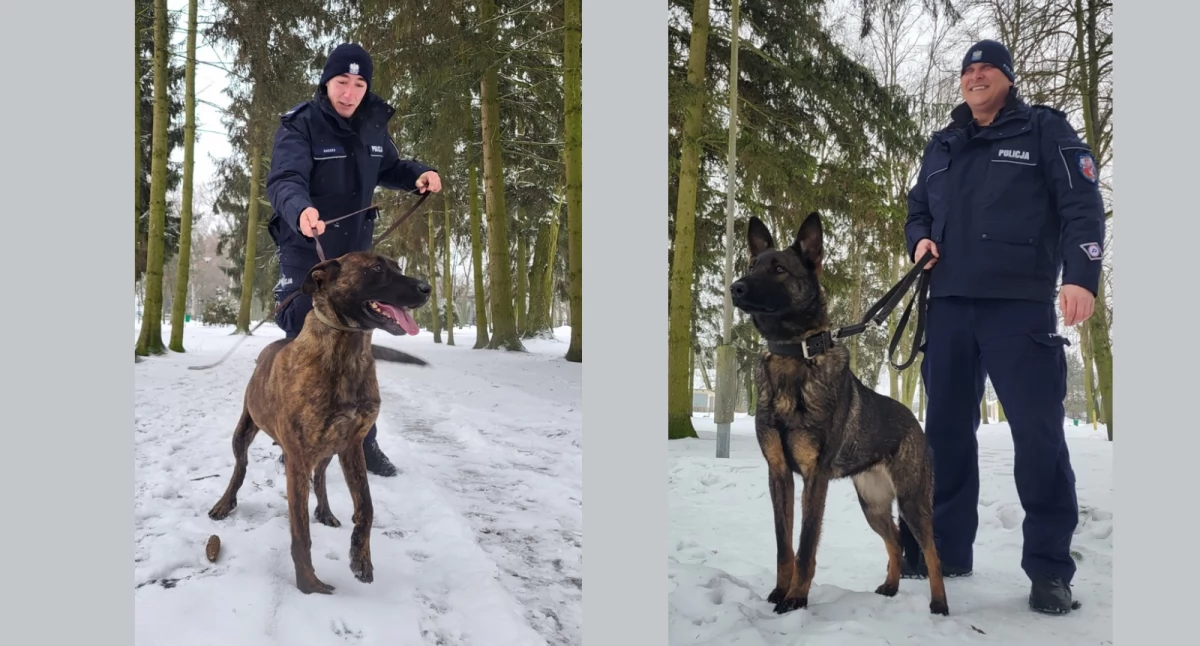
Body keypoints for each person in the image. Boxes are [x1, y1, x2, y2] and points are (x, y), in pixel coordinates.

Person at [900, 39, 1105, 615]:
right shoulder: (942, 144)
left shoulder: (1044, 130)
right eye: (967, 69)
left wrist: (1081, 275)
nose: (975, 75)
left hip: (1020, 307)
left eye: (987, 67)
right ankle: (942, 549)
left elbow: (1082, 204)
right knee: (942, 436)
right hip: (949, 306)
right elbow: (917, 208)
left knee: (1038, 437)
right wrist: (918, 238)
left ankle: (1049, 570)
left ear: (1009, 79)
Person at [265, 43, 442, 478]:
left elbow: (391, 167)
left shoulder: (373, 124)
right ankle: (295, 436)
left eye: (359, 83)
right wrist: (300, 209)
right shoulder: (300, 125)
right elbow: (284, 179)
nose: (350, 92)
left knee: (358, 346)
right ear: (327, 82)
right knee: (304, 337)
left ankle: (364, 443)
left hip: (357, 257)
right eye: (342, 82)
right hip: (308, 248)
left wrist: (418, 173)